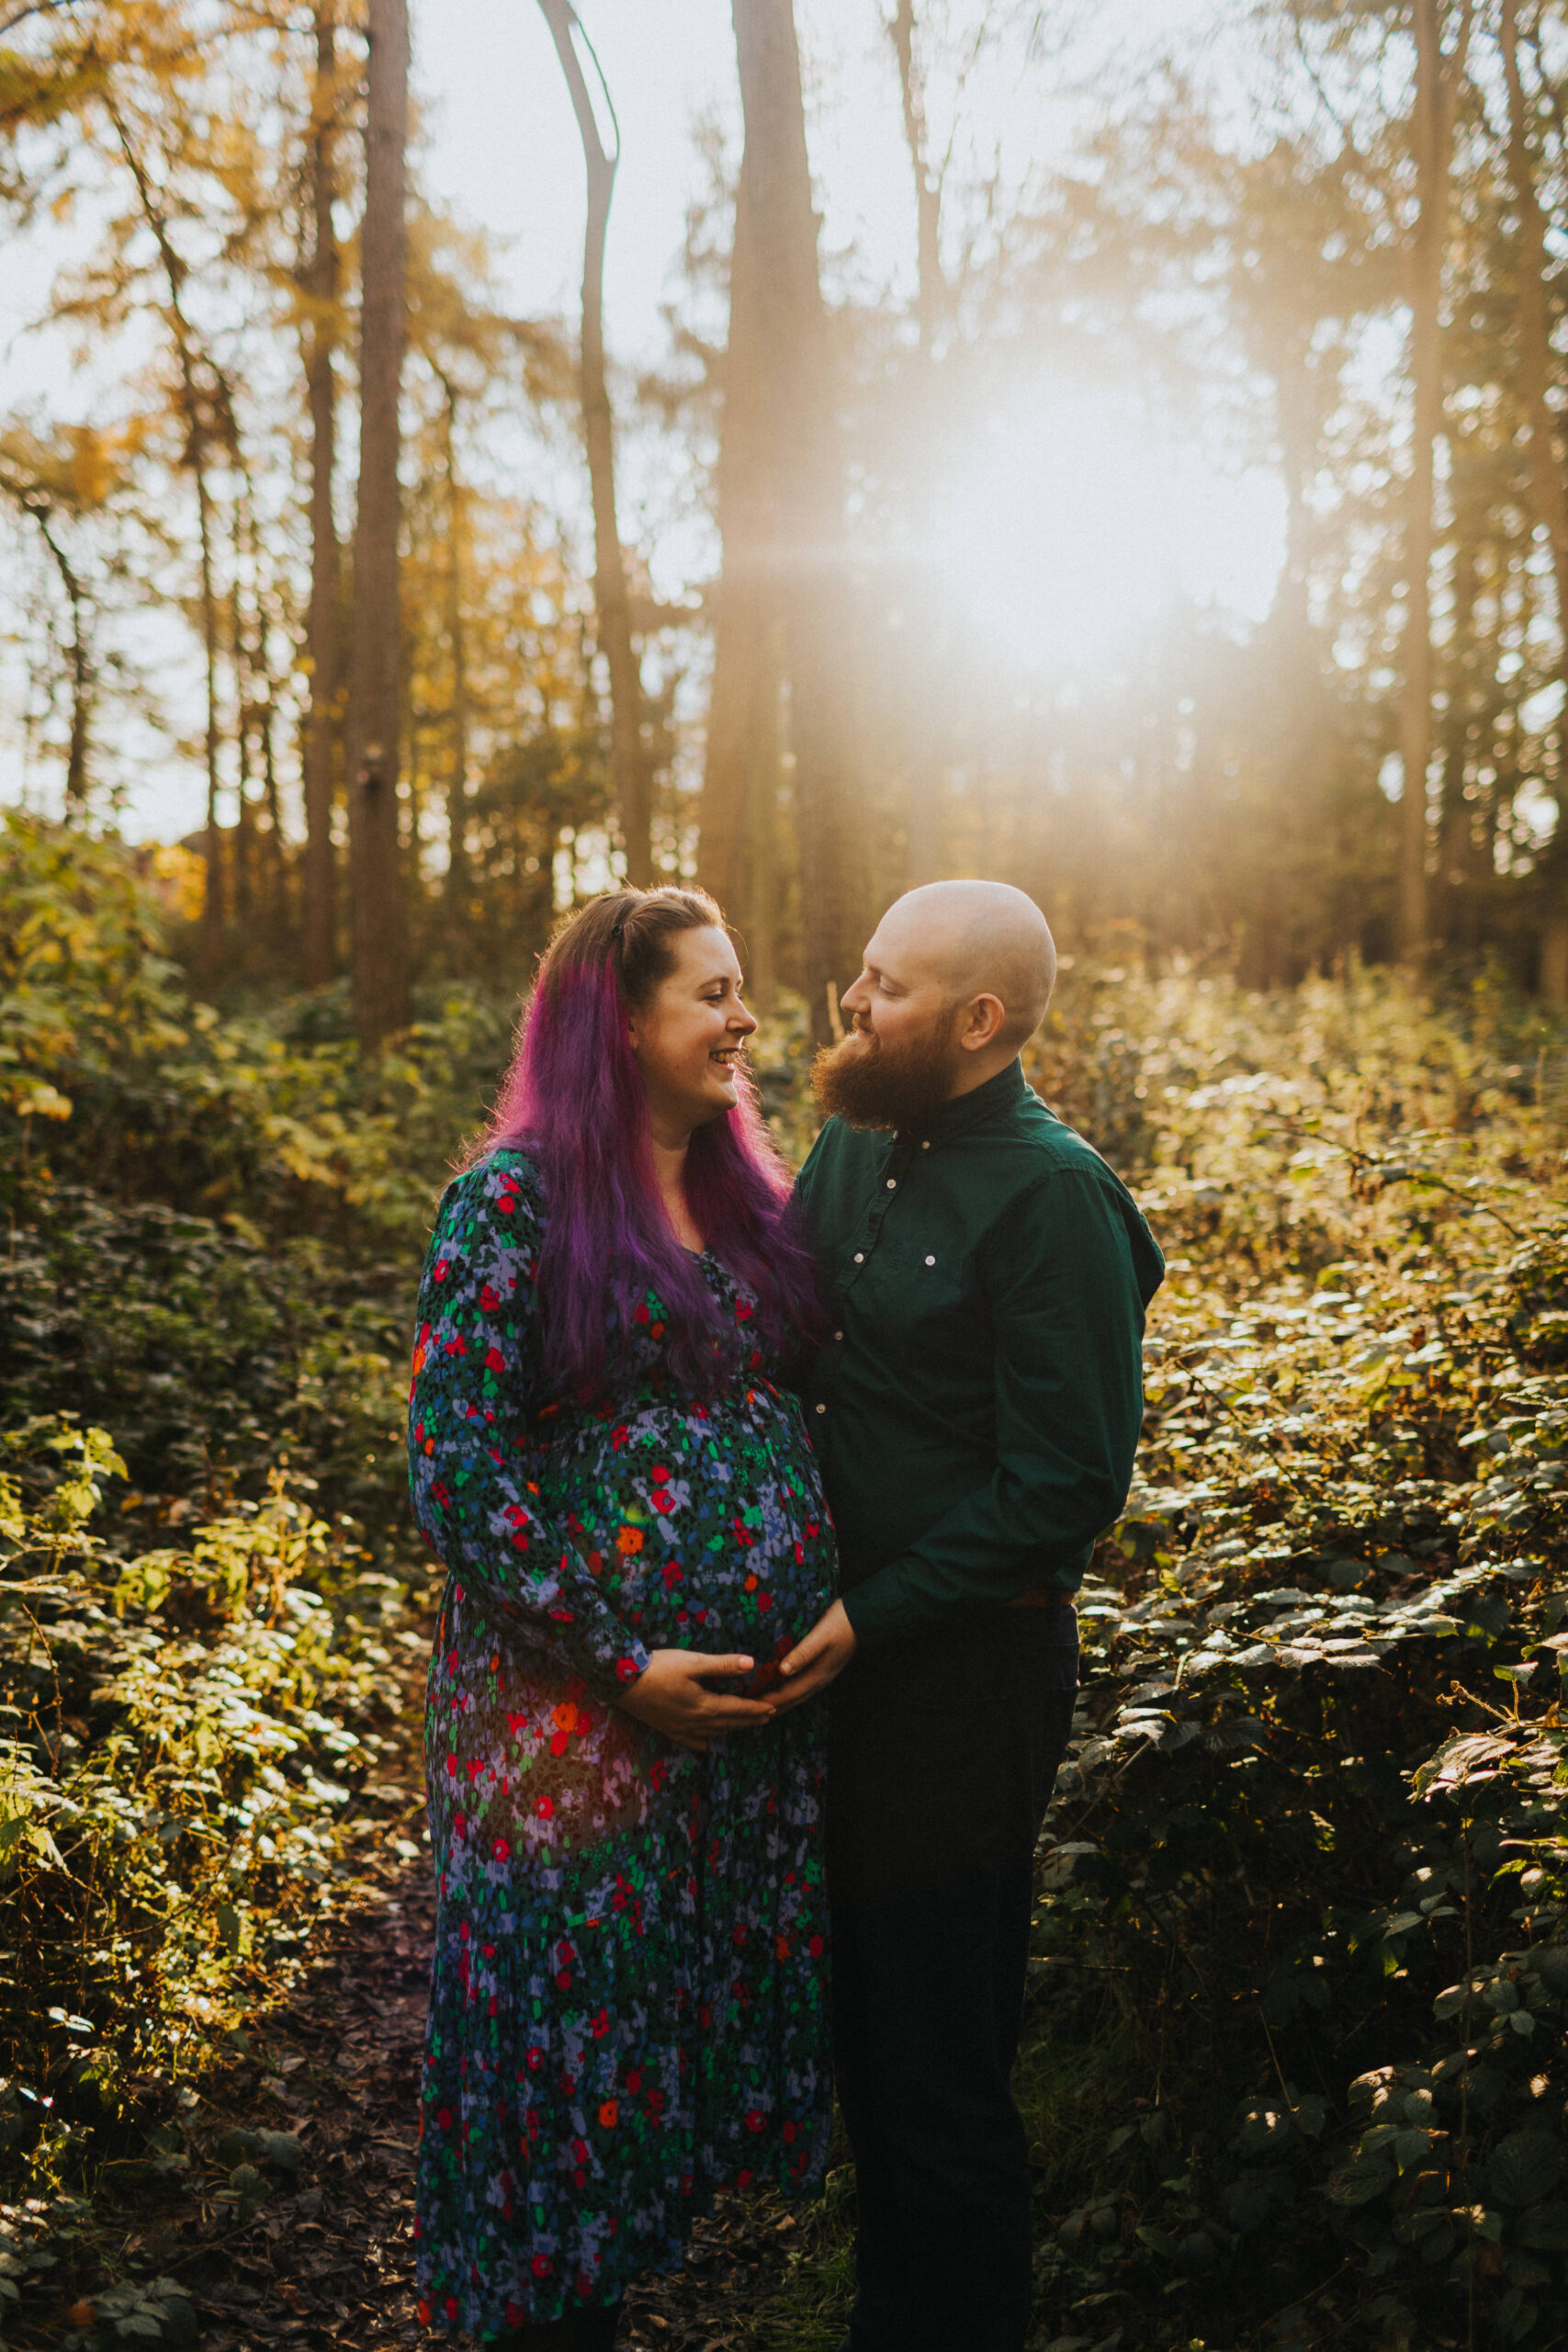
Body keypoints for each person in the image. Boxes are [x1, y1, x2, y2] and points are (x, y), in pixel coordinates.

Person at [407, 888, 836, 2351]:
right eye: (712, 992)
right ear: (620, 1018)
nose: (744, 1018)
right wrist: (614, 1659)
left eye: (741, 988)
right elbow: (458, 1458)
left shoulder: (748, 1198)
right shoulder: (514, 1201)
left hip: (732, 1746)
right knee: (554, 2072)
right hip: (569, 1730)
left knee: (658, 2065)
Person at [773, 878, 1165, 2352]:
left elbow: (1065, 1484)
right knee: (865, 2057)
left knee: (939, 2073)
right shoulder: (852, 1141)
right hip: (834, 1670)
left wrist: (876, 1612)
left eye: (883, 986)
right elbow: (785, 1343)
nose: (852, 1006)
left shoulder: (1054, 1197)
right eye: (856, 977)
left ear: (977, 1018)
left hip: (962, 1682)